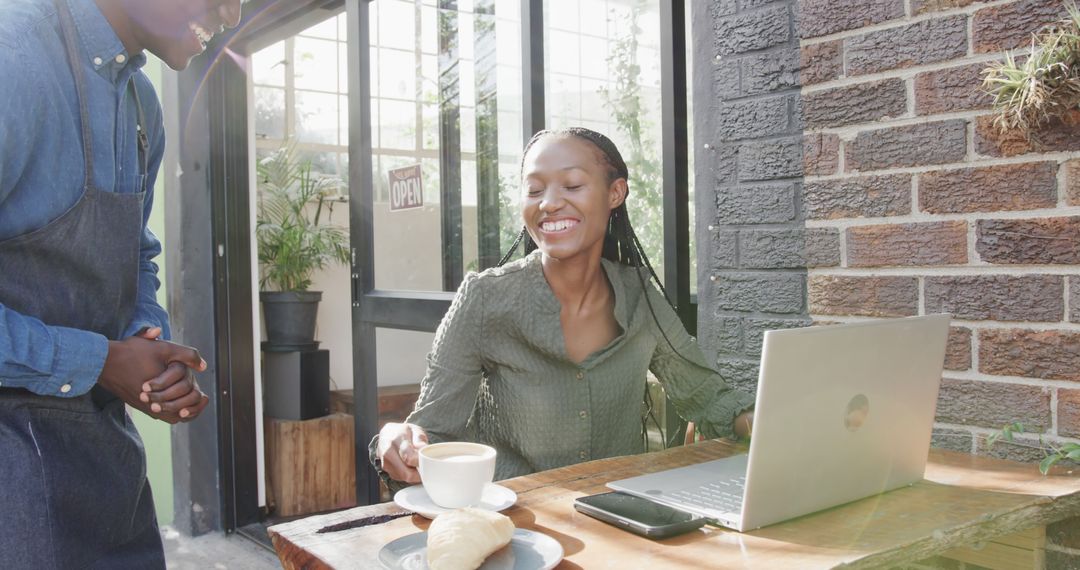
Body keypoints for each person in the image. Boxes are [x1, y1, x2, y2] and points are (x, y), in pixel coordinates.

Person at [374, 127, 755, 487]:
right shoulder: (484, 299)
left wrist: (761, 422)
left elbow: (708, 398)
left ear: (615, 193)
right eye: (534, 190)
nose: (550, 203)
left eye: (572, 185)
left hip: (620, 520)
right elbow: (432, 432)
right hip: (515, 527)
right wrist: (398, 440)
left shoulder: (641, 297)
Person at [0, 0, 240, 567]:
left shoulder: (143, 108)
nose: (230, 16)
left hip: (107, 465)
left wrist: (145, 344)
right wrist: (99, 360)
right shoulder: (14, 57)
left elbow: (136, 257)